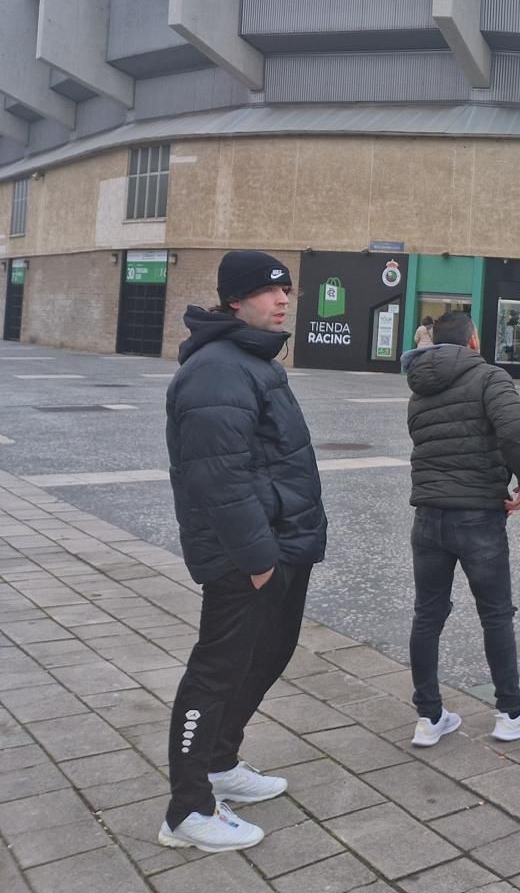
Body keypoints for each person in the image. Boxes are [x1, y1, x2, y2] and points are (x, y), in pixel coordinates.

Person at [159, 252, 326, 853]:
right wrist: (258, 560)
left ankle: (221, 761)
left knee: (269, 653)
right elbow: (218, 479)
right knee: (217, 670)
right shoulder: (217, 371)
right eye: (268, 290)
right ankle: (187, 808)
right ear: (235, 299)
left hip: (280, 544)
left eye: (286, 290)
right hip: (248, 556)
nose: (283, 300)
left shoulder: (250, 361)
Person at [403, 312, 520, 746]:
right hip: (478, 515)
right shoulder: (489, 376)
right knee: (496, 614)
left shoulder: (419, 387)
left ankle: (429, 717)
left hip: (428, 515)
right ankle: (512, 711)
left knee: (427, 614)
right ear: (472, 340)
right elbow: (517, 430)